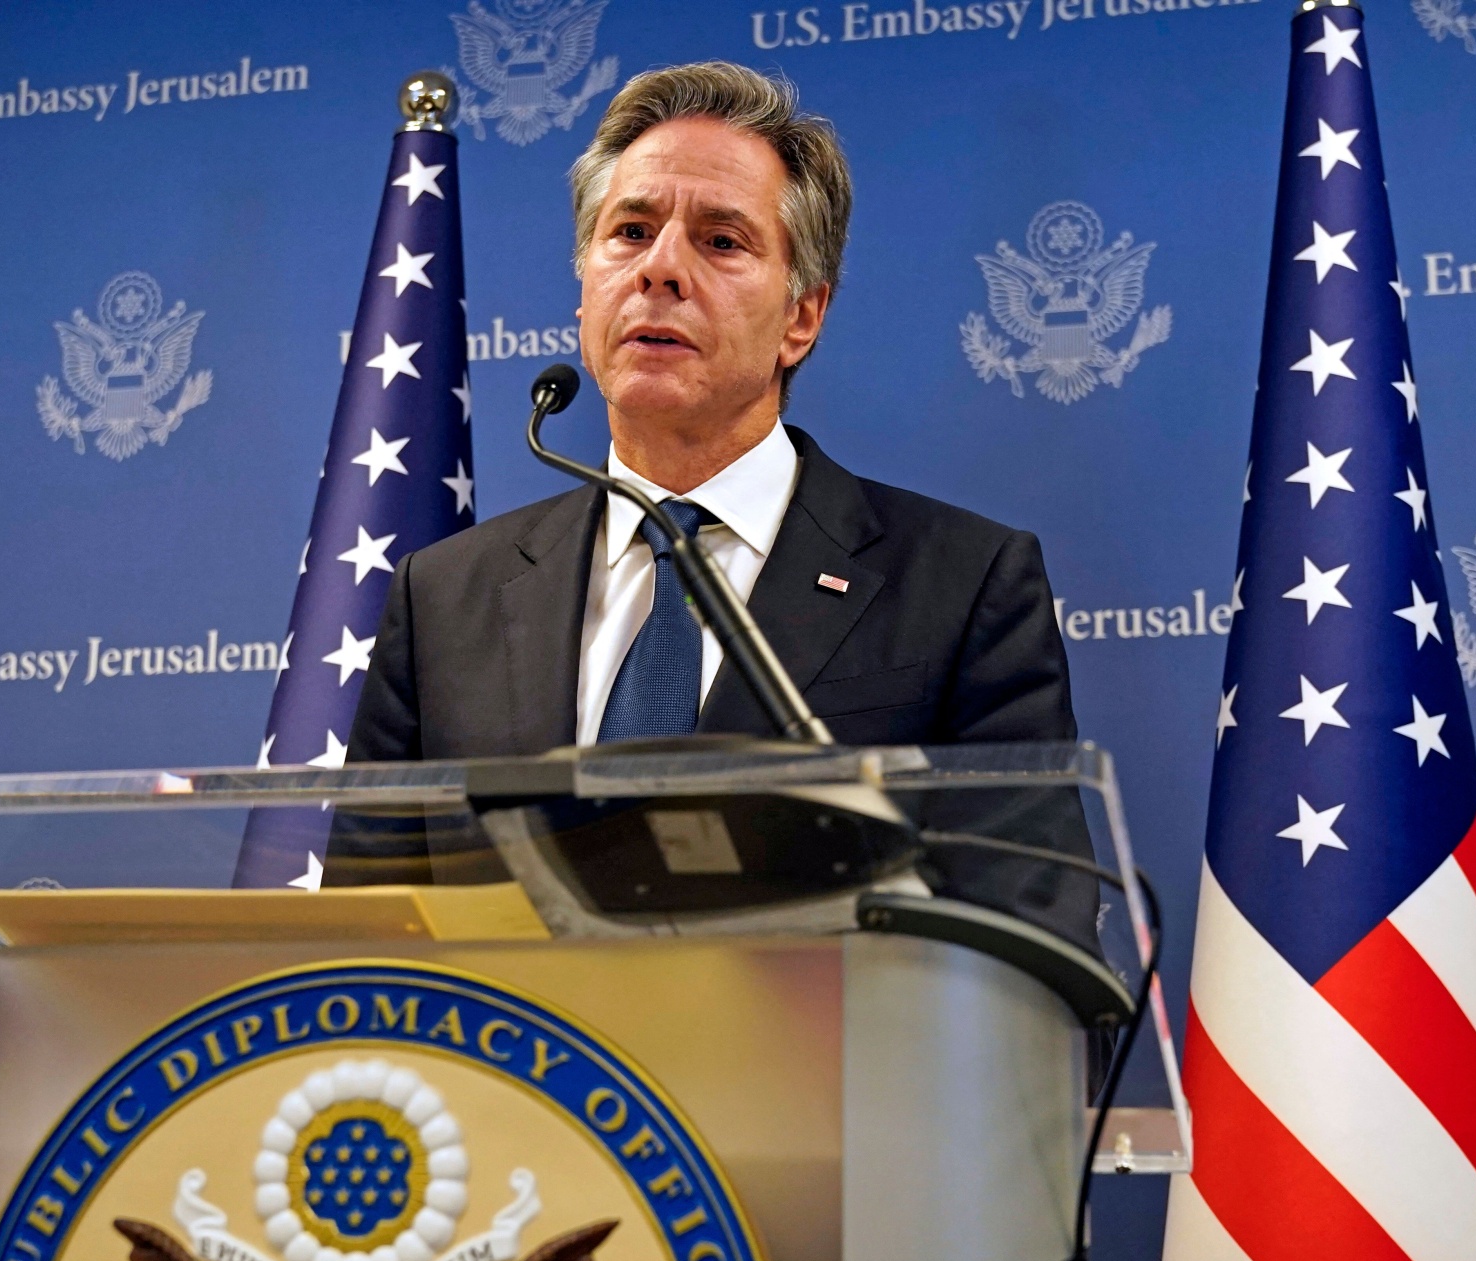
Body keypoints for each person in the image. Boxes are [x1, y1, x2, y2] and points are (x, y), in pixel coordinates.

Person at [348, 62, 1094, 949]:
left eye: (721, 241)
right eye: (631, 231)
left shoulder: (962, 586)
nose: (660, 268)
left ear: (800, 318)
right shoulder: (444, 596)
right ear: (585, 289)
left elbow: (1027, 936)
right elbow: (364, 938)